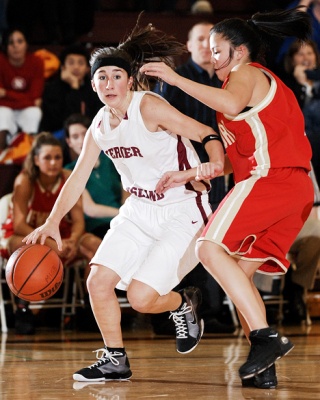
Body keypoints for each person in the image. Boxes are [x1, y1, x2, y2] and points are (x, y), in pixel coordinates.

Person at [23, 20, 225, 382]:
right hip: (138, 209)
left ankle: (183, 302)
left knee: (142, 299)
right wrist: (52, 221)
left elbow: (205, 132)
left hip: (181, 209)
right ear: (93, 84)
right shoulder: (99, 123)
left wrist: (210, 165)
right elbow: (78, 175)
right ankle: (115, 360)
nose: (109, 83)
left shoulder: (149, 108)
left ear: (130, 81)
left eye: (117, 76)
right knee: (97, 281)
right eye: (102, 77)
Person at [140, 7, 314, 389]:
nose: (212, 57)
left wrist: (172, 76)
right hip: (293, 188)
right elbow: (232, 165)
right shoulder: (244, 89)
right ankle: (263, 367)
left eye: (217, 49)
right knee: (239, 274)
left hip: (273, 179)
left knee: (208, 248)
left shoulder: (245, 75)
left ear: (238, 51)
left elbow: (231, 107)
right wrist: (190, 173)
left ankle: (267, 340)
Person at [153, 21, 232, 334]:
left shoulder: (227, 82)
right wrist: (186, 173)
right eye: (199, 39)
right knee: (184, 243)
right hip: (184, 173)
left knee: (215, 241)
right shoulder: (177, 80)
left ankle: (210, 311)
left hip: (218, 170)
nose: (205, 46)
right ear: (188, 45)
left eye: (211, 41)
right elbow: (166, 131)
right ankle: (174, 313)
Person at [1, 132, 102, 334]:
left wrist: (73, 241)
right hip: (25, 236)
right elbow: (20, 224)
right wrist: (52, 245)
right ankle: (23, 309)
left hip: (61, 238)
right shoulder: (25, 181)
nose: (54, 162)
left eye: (58, 157)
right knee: (25, 248)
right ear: (36, 160)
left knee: (96, 247)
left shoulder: (68, 178)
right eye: (47, 157)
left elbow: (79, 221)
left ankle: (91, 309)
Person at [64, 113, 124, 239]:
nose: (81, 140)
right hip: (98, 226)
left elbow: (127, 188)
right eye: (75, 137)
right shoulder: (68, 171)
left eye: (85, 134)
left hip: (123, 221)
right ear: (69, 142)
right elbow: (90, 209)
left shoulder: (110, 159)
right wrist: (125, 214)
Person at [39, 44, 102, 149]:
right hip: (57, 134)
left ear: (87, 69)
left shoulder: (94, 89)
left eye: (81, 63)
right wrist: (74, 87)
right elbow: (62, 120)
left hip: (88, 134)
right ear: (63, 67)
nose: (76, 67)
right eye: (71, 63)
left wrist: (75, 87)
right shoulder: (52, 89)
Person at [282, 39, 320, 186]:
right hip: (302, 147)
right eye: (300, 54)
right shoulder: (287, 84)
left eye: (310, 53)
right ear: (292, 60)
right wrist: (303, 85)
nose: (306, 58)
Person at [0, 28, 44, 150]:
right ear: (5, 46)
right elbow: (33, 100)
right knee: (2, 113)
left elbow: (35, 96)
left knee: (34, 112)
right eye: (11, 42)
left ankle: (28, 155)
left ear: (26, 44)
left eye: (20, 41)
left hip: (25, 108)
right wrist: (28, 99)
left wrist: (6, 94)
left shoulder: (37, 62)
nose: (16, 46)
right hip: (6, 108)